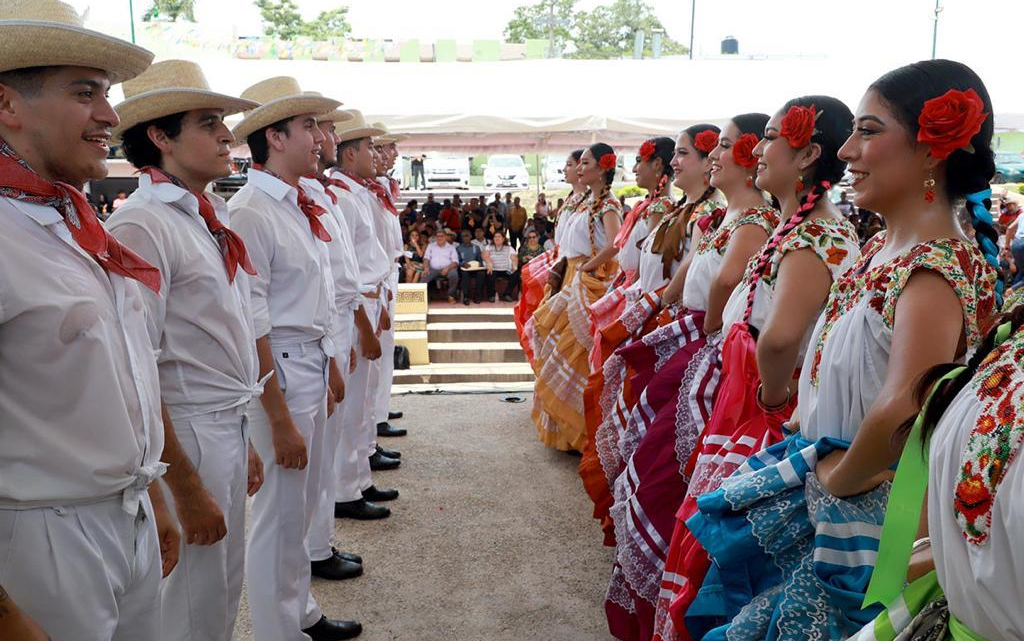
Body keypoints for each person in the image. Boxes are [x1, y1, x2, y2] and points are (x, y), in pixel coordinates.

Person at [685, 59, 999, 641]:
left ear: (933, 149)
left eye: (869, 131)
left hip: (865, 516)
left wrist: (827, 484)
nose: (848, 151)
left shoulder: (933, 265)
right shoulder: (886, 246)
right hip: (835, 484)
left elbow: (905, 406)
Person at [0, 3, 179, 641]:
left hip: (121, 514)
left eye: (106, 94)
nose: (110, 116)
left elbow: (121, 379)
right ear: (7, 105)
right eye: (85, 93)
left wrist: (150, 494)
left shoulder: (73, 224)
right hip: (41, 536)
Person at [653, 98, 861, 641]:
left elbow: (783, 337)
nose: (757, 150)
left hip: (765, 407)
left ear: (809, 153)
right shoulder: (796, 227)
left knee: (731, 543)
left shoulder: (815, 234)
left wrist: (769, 398)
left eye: (769, 137)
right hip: (746, 396)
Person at [106, 59, 267, 641]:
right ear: (160, 137)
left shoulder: (205, 213)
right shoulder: (145, 225)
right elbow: (138, 367)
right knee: (192, 602)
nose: (227, 134)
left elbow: (220, 337)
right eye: (208, 122)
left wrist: (244, 432)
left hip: (220, 421)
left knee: (220, 586)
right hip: (188, 430)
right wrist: (185, 485)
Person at [603, 119, 781, 640]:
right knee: (651, 467)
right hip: (704, 352)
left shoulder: (756, 222)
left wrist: (707, 340)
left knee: (666, 480)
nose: (709, 158)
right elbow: (687, 281)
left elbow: (727, 291)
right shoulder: (726, 218)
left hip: (723, 366)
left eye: (721, 146)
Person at [228, 77, 359, 641]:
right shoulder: (252, 210)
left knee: (300, 507)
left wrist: (329, 363)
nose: (319, 138)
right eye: (308, 126)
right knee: (280, 514)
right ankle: (277, 632)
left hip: (307, 357)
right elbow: (252, 319)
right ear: (274, 137)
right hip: (278, 368)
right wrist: (277, 415)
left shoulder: (293, 203)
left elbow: (315, 296)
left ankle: (299, 610)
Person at [327, 111, 397, 525]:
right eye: (370, 147)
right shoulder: (341, 195)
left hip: (369, 296)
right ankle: (347, 486)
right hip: (352, 306)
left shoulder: (357, 193)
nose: (378, 155)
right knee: (350, 405)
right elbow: (346, 267)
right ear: (350, 155)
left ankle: (357, 477)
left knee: (361, 399)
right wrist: (364, 319)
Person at [532, 143, 623, 451]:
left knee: (578, 354)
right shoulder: (586, 199)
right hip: (574, 274)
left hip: (587, 278)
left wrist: (587, 266)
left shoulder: (608, 204)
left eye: (586, 162)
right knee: (559, 348)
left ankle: (583, 435)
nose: (580, 168)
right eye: (580, 163)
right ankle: (568, 432)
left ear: (602, 168)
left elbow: (616, 243)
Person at [514, 150, 590, 364]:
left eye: (568, 164)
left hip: (576, 270)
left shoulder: (593, 203)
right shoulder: (574, 199)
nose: (564, 169)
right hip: (563, 267)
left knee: (562, 333)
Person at [424, 228, 460, 301]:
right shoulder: (431, 246)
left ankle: (451, 295)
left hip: (447, 268)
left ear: (446, 237)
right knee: (424, 276)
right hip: (433, 269)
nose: (439, 238)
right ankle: (422, 299)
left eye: (442, 236)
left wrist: (447, 268)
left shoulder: (451, 247)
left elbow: (455, 261)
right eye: (438, 236)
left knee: (454, 274)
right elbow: (426, 258)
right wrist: (426, 267)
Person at [484, 230, 519, 301]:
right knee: (489, 274)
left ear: (503, 239)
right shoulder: (488, 247)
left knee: (516, 274)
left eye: (499, 237)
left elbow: (514, 258)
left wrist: (514, 265)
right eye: (495, 237)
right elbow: (486, 256)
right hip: (493, 269)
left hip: (505, 269)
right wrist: (489, 263)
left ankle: (507, 294)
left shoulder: (509, 248)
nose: (497, 238)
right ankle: (491, 295)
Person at [456, 229, 485, 304]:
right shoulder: (458, 248)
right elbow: (457, 261)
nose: (465, 238)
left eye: (467, 236)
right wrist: (463, 264)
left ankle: (477, 296)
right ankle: (466, 297)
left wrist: (479, 263)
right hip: (464, 268)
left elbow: (480, 260)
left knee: (481, 273)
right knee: (464, 274)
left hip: (475, 268)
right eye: (463, 236)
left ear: (471, 236)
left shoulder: (476, 247)